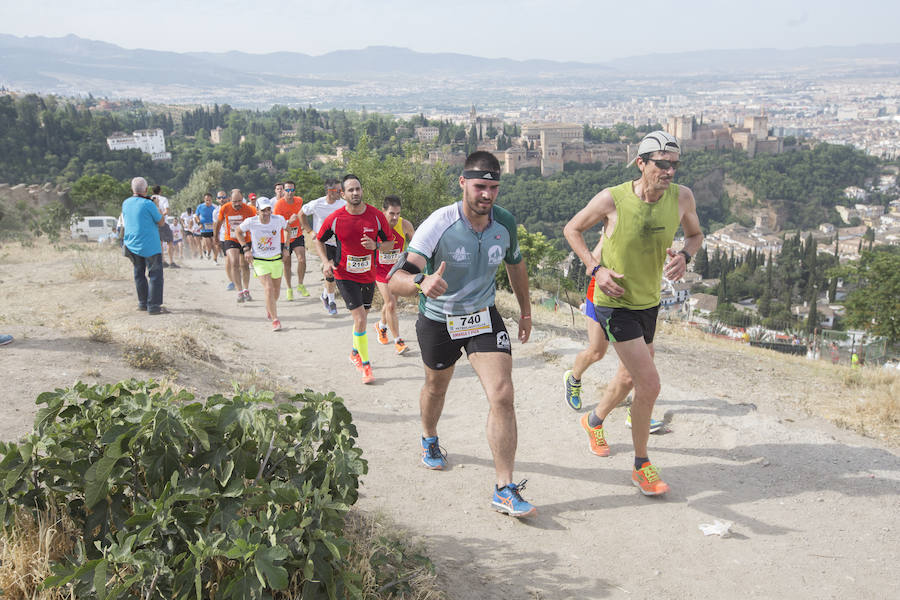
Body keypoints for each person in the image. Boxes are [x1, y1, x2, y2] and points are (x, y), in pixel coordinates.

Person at [388, 151, 536, 518]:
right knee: (437, 387)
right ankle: (429, 437)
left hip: (482, 315)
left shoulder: (504, 223)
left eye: (493, 187)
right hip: (439, 319)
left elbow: (516, 265)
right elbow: (396, 279)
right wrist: (423, 282)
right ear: (463, 184)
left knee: (502, 394)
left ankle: (504, 487)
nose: (487, 195)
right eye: (479, 186)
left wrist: (526, 310)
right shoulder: (439, 223)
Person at [562, 130, 703, 496]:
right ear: (641, 163)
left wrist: (685, 257)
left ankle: (593, 421)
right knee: (650, 383)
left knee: (628, 379)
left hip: (648, 302)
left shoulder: (682, 197)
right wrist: (595, 268)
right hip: (615, 303)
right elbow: (572, 229)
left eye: (674, 165)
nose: (670, 171)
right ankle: (642, 465)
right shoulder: (613, 199)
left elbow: (695, 235)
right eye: (661, 164)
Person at [314, 174, 391, 384]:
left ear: (362, 190)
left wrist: (376, 246)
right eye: (351, 190)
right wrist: (326, 262)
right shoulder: (336, 218)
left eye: (358, 189)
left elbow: (390, 243)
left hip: (368, 275)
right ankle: (366, 366)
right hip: (344, 274)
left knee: (362, 319)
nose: (355, 193)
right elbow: (319, 241)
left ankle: (354, 352)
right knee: (360, 319)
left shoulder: (376, 216)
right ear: (343, 194)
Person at [236, 197, 287, 331]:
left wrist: (286, 247)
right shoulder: (251, 222)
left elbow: (289, 229)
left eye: (268, 209)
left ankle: (270, 307)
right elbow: (238, 232)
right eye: (263, 210)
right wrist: (246, 249)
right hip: (260, 261)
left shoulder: (278, 220)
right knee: (269, 288)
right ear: (257, 210)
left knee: (276, 292)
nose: (266, 213)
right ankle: (275, 320)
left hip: (276, 259)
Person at [374, 195, 415, 355]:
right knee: (391, 303)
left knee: (390, 303)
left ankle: (381, 326)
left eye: (398, 213)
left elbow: (417, 245)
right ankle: (398, 341)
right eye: (391, 213)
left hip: (398, 270)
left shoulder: (405, 225)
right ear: (383, 211)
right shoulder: (375, 224)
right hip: (380, 270)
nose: (395, 217)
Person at [122, 177, 167, 314]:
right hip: (150, 245)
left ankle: (142, 303)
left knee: (139, 273)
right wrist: (157, 205)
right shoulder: (149, 205)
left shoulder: (126, 203)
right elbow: (161, 222)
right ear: (146, 190)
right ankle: (153, 306)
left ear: (132, 189)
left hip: (131, 244)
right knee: (155, 275)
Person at [301, 178, 346, 315]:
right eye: (338, 190)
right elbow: (301, 214)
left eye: (341, 190)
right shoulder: (316, 204)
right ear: (329, 191)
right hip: (323, 243)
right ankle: (332, 302)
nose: (340, 192)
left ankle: (325, 295)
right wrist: (310, 232)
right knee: (329, 271)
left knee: (339, 271)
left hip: (338, 242)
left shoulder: (343, 204)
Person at [215, 189, 257, 302]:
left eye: (239, 201)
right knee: (234, 262)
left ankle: (246, 289)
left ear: (243, 199)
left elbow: (257, 224)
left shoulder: (249, 209)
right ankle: (239, 291)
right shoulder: (225, 208)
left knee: (244, 265)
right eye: (235, 202)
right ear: (230, 200)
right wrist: (216, 238)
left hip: (245, 239)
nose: (237, 204)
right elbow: (218, 224)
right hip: (231, 239)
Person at [274, 180, 309, 301]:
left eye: (292, 190)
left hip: (297, 235)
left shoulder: (299, 200)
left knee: (302, 259)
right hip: (284, 237)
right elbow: (276, 223)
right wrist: (289, 221)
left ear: (294, 190)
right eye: (287, 190)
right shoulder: (279, 205)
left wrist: (303, 224)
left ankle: (300, 284)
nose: (289, 192)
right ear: (283, 191)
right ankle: (289, 289)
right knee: (287, 264)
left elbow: (303, 214)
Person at [151, 185, 177, 268]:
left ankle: (162, 261)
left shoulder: (149, 199)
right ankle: (171, 261)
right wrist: (161, 215)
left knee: (159, 242)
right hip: (163, 222)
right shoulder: (164, 199)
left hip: (153, 224)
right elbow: (167, 211)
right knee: (169, 241)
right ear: (160, 191)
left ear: (152, 191)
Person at [195, 193, 218, 261]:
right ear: (204, 200)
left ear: (211, 200)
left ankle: (215, 259)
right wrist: (199, 223)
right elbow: (196, 216)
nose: (208, 202)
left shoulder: (215, 207)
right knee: (208, 244)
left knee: (215, 244)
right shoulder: (200, 207)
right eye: (206, 200)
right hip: (204, 228)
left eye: (209, 200)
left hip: (213, 227)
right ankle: (208, 252)